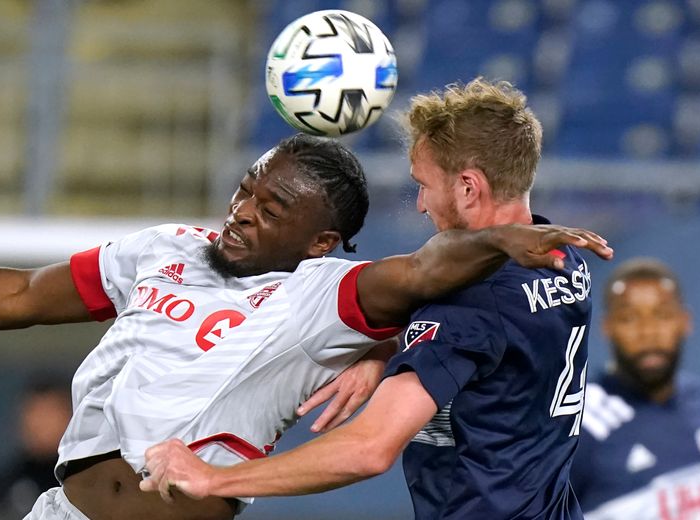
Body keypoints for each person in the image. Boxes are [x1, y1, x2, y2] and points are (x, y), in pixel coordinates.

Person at [0, 132, 612, 520]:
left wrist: (500, 238)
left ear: (320, 241)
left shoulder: (321, 296)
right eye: (246, 190)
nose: (242, 213)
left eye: (271, 208)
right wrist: (381, 349)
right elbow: (22, 294)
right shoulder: (166, 247)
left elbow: (422, 272)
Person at [141, 78, 607, 519]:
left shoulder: (471, 301)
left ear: (468, 187)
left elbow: (369, 448)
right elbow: (501, 341)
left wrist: (214, 477)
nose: (421, 203)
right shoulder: (560, 256)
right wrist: (389, 347)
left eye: (424, 184)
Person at [568, 258, 700, 519]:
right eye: (629, 318)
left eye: (663, 315)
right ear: (607, 328)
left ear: (685, 321)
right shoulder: (580, 423)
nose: (648, 332)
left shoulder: (699, 397)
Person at [0, 378, 71, 518]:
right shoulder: (0, 489)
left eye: (49, 413)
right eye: (33, 413)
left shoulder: (88, 484)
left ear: (70, 417)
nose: (40, 424)